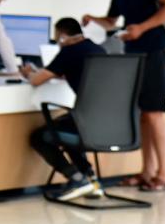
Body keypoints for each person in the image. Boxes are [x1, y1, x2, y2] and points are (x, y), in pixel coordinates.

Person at [83, 0, 165, 193]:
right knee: (143, 114)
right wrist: (93, 19)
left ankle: (164, 174)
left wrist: (142, 28)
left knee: (154, 113)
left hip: (156, 49)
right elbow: (111, 21)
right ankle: (147, 171)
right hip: (134, 53)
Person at [21, 18, 106, 201]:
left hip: (85, 124)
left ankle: (76, 179)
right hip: (106, 123)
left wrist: (28, 73)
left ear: (62, 36)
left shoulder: (69, 52)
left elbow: (36, 80)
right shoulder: (98, 49)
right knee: (66, 126)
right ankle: (91, 179)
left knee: (40, 136)